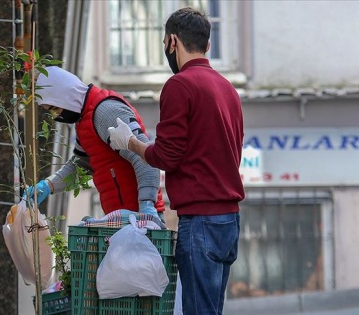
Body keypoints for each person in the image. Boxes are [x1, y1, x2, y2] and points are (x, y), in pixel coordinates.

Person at [107, 7, 245, 315]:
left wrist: (130, 142)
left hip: (201, 222)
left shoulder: (180, 85)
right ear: (208, 46)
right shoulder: (228, 89)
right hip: (229, 221)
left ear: (172, 42)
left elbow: (167, 155)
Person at [23, 66, 167, 219]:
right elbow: (81, 165)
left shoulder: (106, 111)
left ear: (64, 95)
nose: (55, 115)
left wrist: (147, 205)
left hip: (140, 219)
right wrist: (48, 185)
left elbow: (144, 157)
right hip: (125, 219)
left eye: (54, 108)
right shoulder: (85, 119)